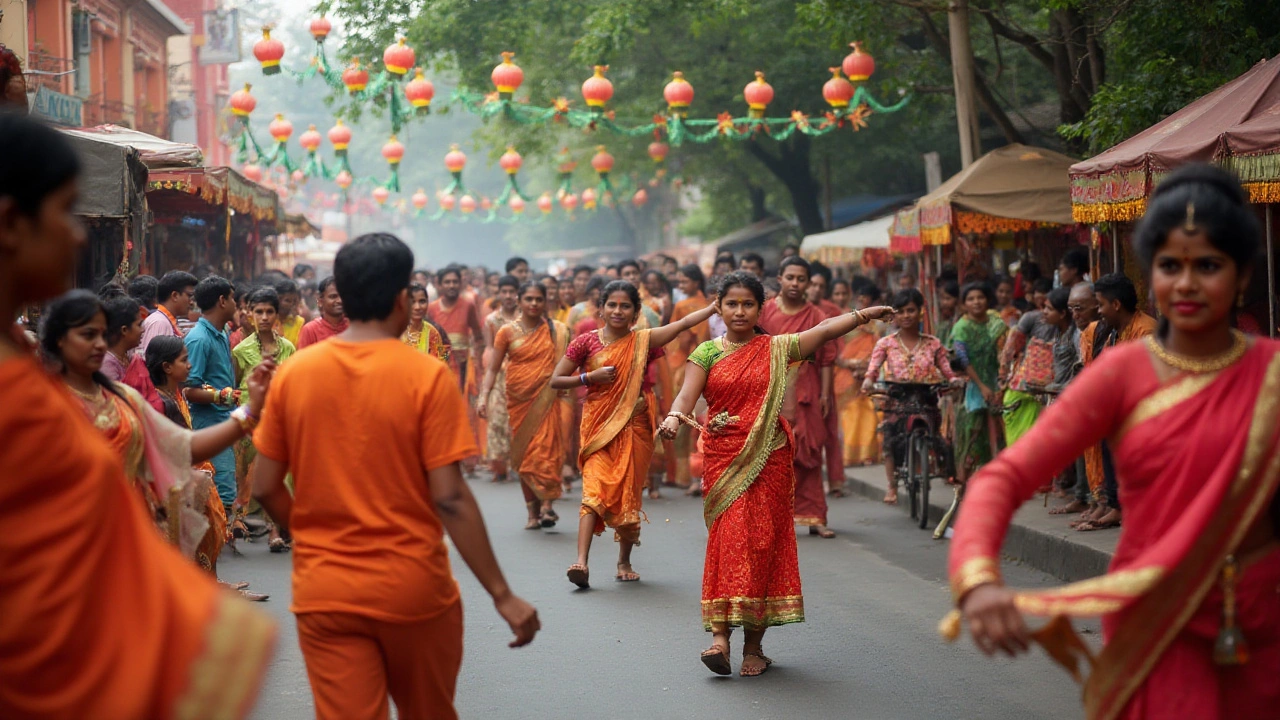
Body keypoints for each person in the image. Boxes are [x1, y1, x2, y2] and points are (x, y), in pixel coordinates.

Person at [946, 164, 1280, 720]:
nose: (1188, 283)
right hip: (1154, 620)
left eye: (1210, 266)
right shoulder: (1122, 374)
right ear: (1149, 274)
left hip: (1262, 620)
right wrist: (977, 580)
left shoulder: (1271, 375)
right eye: (1171, 266)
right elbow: (1003, 478)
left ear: (1242, 274)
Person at [0, 114, 275, 718]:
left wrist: (251, 408)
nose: (79, 237)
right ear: (11, 223)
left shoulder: (91, 390)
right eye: (67, 212)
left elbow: (174, 449)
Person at [250, 233, 539, 720]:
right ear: (403, 297)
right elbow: (449, 499)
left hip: (325, 590)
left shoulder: (295, 374)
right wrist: (502, 593)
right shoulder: (426, 376)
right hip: (412, 588)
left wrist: (315, 539)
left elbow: (263, 487)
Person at [661, 272, 893, 677]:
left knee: (762, 546)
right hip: (724, 459)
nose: (739, 311)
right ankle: (720, 639)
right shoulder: (706, 353)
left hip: (769, 460)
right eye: (731, 303)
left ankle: (754, 647)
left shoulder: (776, 348)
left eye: (747, 304)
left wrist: (863, 315)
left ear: (760, 308)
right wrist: (673, 418)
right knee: (728, 543)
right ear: (718, 306)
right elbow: (686, 396)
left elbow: (821, 331)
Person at [551, 280, 716, 588]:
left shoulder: (643, 340)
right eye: (611, 304)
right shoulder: (585, 342)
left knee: (629, 490)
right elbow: (556, 380)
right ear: (600, 308)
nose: (617, 310)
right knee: (593, 491)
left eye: (625, 305)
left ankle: (624, 560)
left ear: (635, 312)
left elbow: (681, 324)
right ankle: (581, 562)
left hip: (636, 425)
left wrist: (712, 308)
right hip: (598, 426)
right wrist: (589, 377)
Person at [478, 281, 570, 529]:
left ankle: (548, 505)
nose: (533, 304)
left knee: (547, 450)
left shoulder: (557, 331)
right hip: (518, 401)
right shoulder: (506, 332)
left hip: (548, 399)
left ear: (545, 301)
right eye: (528, 299)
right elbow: (493, 369)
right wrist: (483, 396)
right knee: (524, 454)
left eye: (538, 299)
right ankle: (532, 514)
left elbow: (566, 365)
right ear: (519, 301)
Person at [760, 257, 839, 537]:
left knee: (808, 453)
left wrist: (826, 394)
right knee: (769, 456)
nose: (795, 283)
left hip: (807, 389)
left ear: (807, 283)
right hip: (770, 390)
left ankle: (814, 515)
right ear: (779, 278)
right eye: (790, 277)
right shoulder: (764, 311)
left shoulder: (816, 315)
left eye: (801, 278)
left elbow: (827, 358)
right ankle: (771, 518)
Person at [1074, 272, 1158, 532]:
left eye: (1100, 305)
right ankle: (1115, 505)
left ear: (1116, 305)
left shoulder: (1145, 329)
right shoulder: (1114, 332)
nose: (1098, 312)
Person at [863, 289, 962, 503]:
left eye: (911, 310)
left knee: (939, 439)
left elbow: (946, 368)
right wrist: (869, 381)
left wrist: (953, 380)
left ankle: (944, 470)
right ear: (894, 315)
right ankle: (892, 486)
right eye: (901, 312)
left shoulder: (933, 343)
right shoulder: (885, 343)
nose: (906, 315)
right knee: (890, 437)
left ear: (920, 312)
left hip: (926, 397)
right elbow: (873, 368)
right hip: (897, 398)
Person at [231, 285, 297, 551]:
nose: (265, 317)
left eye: (270, 311)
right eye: (259, 311)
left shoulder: (289, 348)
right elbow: (234, 385)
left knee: (279, 474)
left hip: (280, 419)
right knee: (245, 474)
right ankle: (236, 524)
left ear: (276, 314)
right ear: (250, 314)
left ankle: (274, 531)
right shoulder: (241, 350)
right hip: (250, 421)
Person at [184, 274, 241, 516]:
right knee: (221, 492)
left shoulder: (222, 332)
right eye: (233, 298)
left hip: (225, 420)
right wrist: (222, 396)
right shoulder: (199, 339)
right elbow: (190, 389)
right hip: (208, 423)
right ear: (222, 301)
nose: (237, 304)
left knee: (225, 492)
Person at [949, 281, 1007, 480]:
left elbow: (1005, 350)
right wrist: (982, 386)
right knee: (971, 435)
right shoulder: (961, 327)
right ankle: (962, 484)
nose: (976, 302)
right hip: (972, 386)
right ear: (964, 304)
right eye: (971, 299)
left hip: (996, 380)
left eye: (980, 297)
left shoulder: (995, 321)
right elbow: (963, 359)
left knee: (999, 434)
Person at [482, 275, 521, 483]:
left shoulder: (526, 318)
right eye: (504, 292)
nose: (508, 296)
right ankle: (499, 464)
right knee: (497, 417)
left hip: (522, 374)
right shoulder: (491, 320)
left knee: (518, 419)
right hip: (498, 374)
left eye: (511, 292)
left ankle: (518, 462)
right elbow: (489, 348)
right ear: (499, 293)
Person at [139, 269, 197, 354]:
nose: (191, 302)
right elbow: (153, 363)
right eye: (189, 296)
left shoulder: (165, 320)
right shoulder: (159, 323)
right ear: (175, 295)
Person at [403, 283, 451, 362]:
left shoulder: (434, 331)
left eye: (422, 301)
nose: (417, 307)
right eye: (412, 302)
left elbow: (444, 356)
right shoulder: (396, 331)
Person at [297, 276, 348, 348]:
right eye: (333, 296)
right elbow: (302, 358)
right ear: (320, 301)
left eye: (343, 296)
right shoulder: (310, 330)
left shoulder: (353, 326)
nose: (340, 300)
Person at [275, 277, 306, 347]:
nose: (291, 304)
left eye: (294, 301)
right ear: (277, 299)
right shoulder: (268, 320)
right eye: (287, 301)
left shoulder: (299, 322)